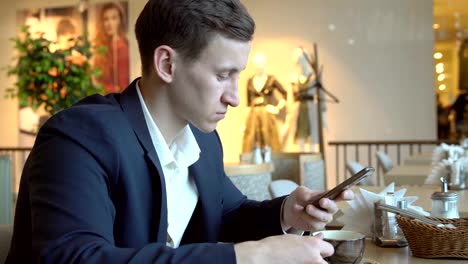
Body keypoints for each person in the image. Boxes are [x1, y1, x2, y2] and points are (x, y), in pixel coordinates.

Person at [7, 1, 353, 263]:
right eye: (222, 75)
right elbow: (77, 258)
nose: (234, 97)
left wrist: (286, 212)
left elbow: (227, 213)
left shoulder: (204, 139)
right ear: (166, 64)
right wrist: (252, 256)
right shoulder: (78, 138)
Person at [242, 53, 287, 153]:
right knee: (251, 139)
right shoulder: (250, 81)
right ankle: (253, 163)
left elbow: (285, 93)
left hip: (266, 113)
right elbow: (248, 104)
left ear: (264, 64)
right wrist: (244, 123)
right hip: (253, 114)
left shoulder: (271, 79)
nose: (259, 67)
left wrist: (277, 108)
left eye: (260, 64)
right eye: (256, 64)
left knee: (268, 138)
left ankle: (270, 162)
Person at [94, 2, 129, 93]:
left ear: (120, 20)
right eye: (106, 19)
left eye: (114, 18)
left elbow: (123, 85)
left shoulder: (123, 47)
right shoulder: (100, 47)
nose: (109, 23)